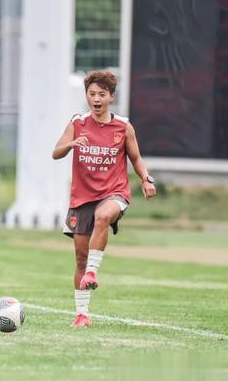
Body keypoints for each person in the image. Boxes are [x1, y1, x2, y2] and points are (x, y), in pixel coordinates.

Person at [52, 70, 157, 327]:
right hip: (81, 198)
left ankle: (92, 272)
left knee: (104, 216)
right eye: (92, 94)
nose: (96, 99)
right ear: (86, 95)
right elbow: (56, 153)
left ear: (111, 97)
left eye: (101, 94)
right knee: (80, 258)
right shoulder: (77, 123)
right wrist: (71, 145)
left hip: (114, 192)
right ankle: (82, 315)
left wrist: (146, 179)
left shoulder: (123, 126)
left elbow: (136, 158)